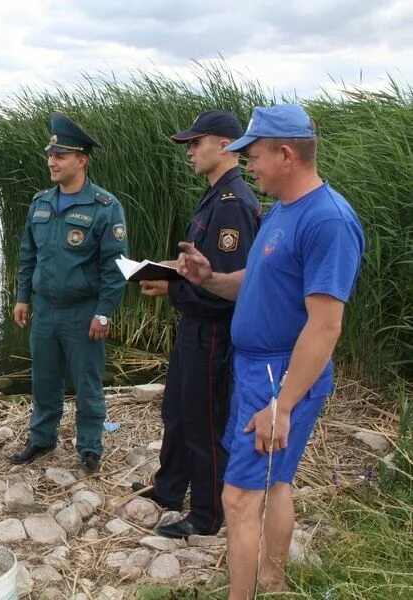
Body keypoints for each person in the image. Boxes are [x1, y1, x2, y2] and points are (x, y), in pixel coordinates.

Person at [176, 104, 364, 598]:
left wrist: (280, 405)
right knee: (275, 483)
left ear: (286, 153)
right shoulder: (282, 209)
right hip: (256, 367)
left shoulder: (328, 222)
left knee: (237, 498)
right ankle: (272, 580)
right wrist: (209, 278)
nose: (248, 165)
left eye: (253, 155)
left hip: (280, 374)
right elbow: (256, 285)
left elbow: (325, 327)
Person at [135, 110, 261, 539]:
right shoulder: (213, 196)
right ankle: (169, 490)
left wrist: (170, 289)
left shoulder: (234, 205)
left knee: (204, 421)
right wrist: (163, 271)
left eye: (195, 143)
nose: (190, 151)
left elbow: (219, 288)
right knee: (176, 411)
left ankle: (207, 515)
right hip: (193, 328)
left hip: (213, 334)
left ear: (224, 145)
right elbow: (198, 270)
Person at [9, 112, 128, 473]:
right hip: (45, 309)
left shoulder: (105, 207)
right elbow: (28, 254)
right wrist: (22, 296)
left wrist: (104, 311)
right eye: (50, 155)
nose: (51, 161)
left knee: (87, 384)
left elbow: (115, 266)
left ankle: (90, 446)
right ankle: (42, 438)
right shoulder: (40, 203)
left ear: (81, 160)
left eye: (60, 156)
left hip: (83, 311)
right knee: (43, 378)